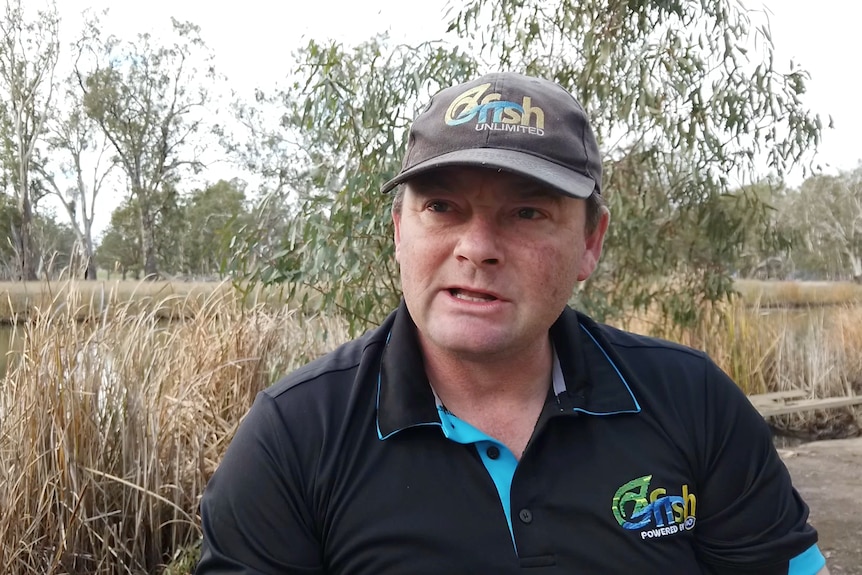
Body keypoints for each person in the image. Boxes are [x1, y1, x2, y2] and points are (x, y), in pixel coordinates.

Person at [196, 72, 829, 574]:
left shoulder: (693, 400)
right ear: (398, 232)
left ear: (591, 242)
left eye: (527, 213)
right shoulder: (294, 435)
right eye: (442, 207)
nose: (477, 247)